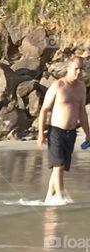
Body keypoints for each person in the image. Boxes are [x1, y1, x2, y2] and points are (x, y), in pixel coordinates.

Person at [37, 55, 90, 204]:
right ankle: (60, 196)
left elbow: (82, 113)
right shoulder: (58, 86)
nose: (79, 72)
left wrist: (88, 133)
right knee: (58, 164)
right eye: (76, 69)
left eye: (81, 69)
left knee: (60, 166)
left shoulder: (81, 88)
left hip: (71, 132)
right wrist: (41, 133)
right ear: (69, 68)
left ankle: (49, 197)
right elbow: (44, 110)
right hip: (56, 131)